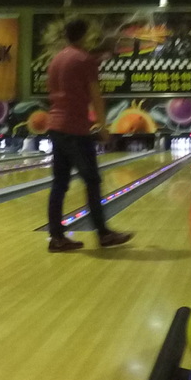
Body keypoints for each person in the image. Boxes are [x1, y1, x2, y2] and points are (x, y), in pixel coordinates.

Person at [45, 18, 132, 252]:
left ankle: (56, 237)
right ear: (84, 34)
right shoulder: (85, 59)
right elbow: (96, 96)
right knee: (92, 181)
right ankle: (104, 234)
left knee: (59, 184)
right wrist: (103, 126)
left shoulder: (56, 59)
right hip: (75, 129)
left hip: (55, 126)